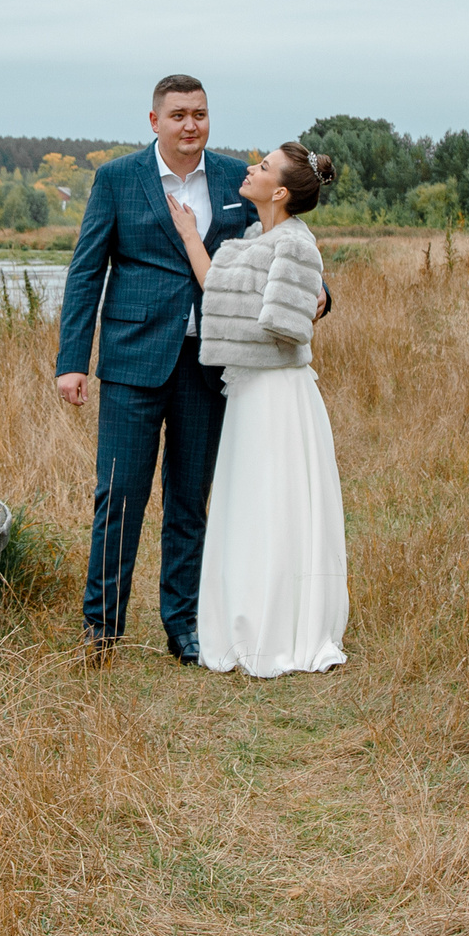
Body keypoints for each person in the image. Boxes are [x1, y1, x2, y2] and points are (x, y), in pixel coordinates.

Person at [53, 75, 326, 663]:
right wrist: (73, 361)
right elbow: (85, 272)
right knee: (119, 496)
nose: (190, 124)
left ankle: (184, 626)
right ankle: (101, 629)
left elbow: (278, 240)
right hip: (132, 362)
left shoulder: (237, 179)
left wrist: (320, 289)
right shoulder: (117, 180)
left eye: (199, 113)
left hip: (210, 366)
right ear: (154, 121)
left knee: (189, 501)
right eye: (177, 114)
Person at [168, 141, 349, 677]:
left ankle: (283, 628)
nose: (251, 169)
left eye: (263, 167)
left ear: (281, 191)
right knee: (248, 503)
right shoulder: (255, 236)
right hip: (249, 389)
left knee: (276, 504)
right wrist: (189, 238)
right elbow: (221, 288)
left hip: (277, 394)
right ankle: (244, 617)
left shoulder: (295, 245)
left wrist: (301, 300)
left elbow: (283, 327)